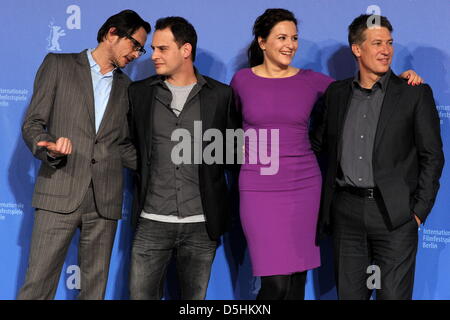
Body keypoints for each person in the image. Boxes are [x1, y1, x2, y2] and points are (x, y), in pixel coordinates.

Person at [231, 8, 423, 300]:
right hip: (258, 188)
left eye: (294, 38)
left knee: (295, 281)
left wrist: (400, 79)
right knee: (276, 284)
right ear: (262, 42)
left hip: (305, 187)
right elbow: (230, 129)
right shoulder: (241, 81)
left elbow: (364, 88)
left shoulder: (314, 81)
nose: (290, 44)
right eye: (281, 37)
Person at [18, 10, 151, 300]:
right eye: (135, 45)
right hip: (59, 188)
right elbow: (32, 124)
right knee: (37, 287)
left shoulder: (128, 88)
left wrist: (157, 167)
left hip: (104, 202)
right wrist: (47, 145)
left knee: (94, 292)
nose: (138, 55)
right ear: (112, 34)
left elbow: (122, 145)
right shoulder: (58, 65)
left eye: (142, 49)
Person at [311, 14, 444, 300]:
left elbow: (432, 156)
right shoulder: (336, 94)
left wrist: (418, 212)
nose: (386, 50)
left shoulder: (414, 94)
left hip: (395, 216)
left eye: (390, 43)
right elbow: (317, 144)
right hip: (346, 213)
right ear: (357, 49)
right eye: (377, 43)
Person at [128, 16, 240, 300]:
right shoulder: (139, 93)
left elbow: (233, 155)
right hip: (151, 221)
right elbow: (126, 144)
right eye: (153, 48)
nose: (153, 55)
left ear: (186, 50)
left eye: (162, 49)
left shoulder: (221, 95)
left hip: (201, 225)